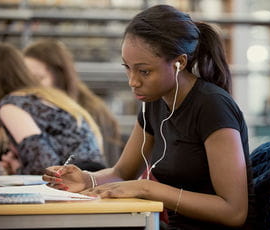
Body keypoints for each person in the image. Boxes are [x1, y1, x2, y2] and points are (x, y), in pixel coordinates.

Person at [43, 4, 256, 229]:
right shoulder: (154, 101)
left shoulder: (213, 106)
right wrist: (86, 179)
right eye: (128, 68)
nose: (132, 81)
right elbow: (122, 172)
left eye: (144, 71)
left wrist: (147, 188)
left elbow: (234, 212)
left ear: (179, 63)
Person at [0, 43, 105, 175]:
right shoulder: (47, 95)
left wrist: (16, 169)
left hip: (73, 181)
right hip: (93, 177)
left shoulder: (11, 105)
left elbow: (44, 166)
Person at [23, 39, 123, 167]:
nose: (31, 87)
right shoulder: (34, 110)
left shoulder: (92, 111)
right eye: (27, 80)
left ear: (60, 76)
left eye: (39, 78)